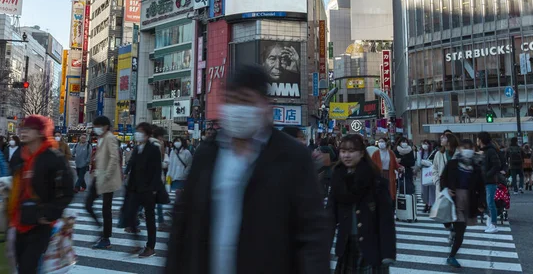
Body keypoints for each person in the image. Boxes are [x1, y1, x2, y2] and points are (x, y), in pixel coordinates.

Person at [164, 64, 330, 274]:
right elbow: (182, 223)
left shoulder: (292, 158)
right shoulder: (207, 153)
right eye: (231, 100)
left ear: (265, 106)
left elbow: (312, 234)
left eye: (246, 100)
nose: (237, 109)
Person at [0, 115, 74, 274]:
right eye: (23, 128)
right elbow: (16, 180)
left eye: (29, 129)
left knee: (28, 267)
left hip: (40, 223)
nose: (24, 132)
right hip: (17, 219)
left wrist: (49, 214)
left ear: (41, 132)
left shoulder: (54, 158)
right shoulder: (20, 155)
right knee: (18, 265)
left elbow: (67, 191)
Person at [328, 134, 396, 273]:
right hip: (347, 245)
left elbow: (386, 219)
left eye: (351, 151)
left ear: (361, 153)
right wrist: (322, 247)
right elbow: (329, 216)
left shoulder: (376, 180)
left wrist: (388, 252)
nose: (347, 155)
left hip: (371, 246)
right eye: (343, 151)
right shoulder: (337, 178)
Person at [440, 138, 486, 268]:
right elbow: (443, 178)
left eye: (470, 148)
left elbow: (481, 187)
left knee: (461, 231)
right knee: (451, 223)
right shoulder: (452, 164)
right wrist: (446, 189)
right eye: (464, 147)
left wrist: (482, 204)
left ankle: (452, 256)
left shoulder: (476, 166)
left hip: (468, 200)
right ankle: (451, 229)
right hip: (453, 198)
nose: (467, 151)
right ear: (459, 149)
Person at [124, 122, 162, 258]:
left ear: (147, 134)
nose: (138, 134)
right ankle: (137, 243)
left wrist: (153, 189)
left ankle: (150, 246)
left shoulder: (153, 149)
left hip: (148, 189)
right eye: (137, 131)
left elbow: (157, 170)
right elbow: (132, 164)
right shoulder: (137, 148)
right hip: (135, 188)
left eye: (140, 131)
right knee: (130, 215)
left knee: (150, 219)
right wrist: (126, 173)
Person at [86, 116, 123, 249]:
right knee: (88, 204)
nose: (96, 128)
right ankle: (101, 232)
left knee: (106, 209)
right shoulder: (101, 138)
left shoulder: (110, 138)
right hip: (99, 176)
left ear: (106, 126)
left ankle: (105, 237)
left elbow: (114, 157)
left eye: (98, 125)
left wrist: (107, 174)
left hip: (107, 178)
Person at [477, 131, 501, 234]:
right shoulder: (485, 151)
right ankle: (490, 220)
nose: (476, 141)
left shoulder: (490, 151)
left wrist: (487, 174)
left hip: (490, 181)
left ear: (481, 140)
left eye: (478, 139)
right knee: (487, 202)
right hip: (486, 181)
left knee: (490, 203)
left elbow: (497, 165)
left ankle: (494, 224)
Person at [371, 138, 402, 202]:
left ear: (385, 143)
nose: (380, 143)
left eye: (382, 141)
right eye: (379, 142)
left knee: (389, 191)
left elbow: (395, 164)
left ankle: (390, 205)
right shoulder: (375, 153)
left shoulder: (390, 153)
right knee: (380, 191)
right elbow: (372, 165)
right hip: (379, 175)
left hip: (389, 174)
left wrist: (400, 167)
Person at [416, 139, 437, 213]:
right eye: (423, 143)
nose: (425, 145)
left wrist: (427, 163)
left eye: (426, 143)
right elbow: (418, 164)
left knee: (432, 189)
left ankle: (431, 205)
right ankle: (426, 204)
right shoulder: (419, 153)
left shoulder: (433, 152)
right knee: (424, 190)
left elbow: (434, 162)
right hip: (423, 172)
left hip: (431, 172)